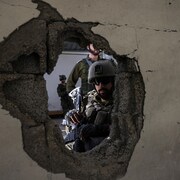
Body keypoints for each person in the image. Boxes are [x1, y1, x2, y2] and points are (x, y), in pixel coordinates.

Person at [65, 60, 116, 152]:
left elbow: (129, 128)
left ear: (113, 81)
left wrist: (100, 129)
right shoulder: (87, 100)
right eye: (97, 82)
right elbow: (75, 124)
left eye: (105, 81)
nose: (101, 86)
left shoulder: (124, 101)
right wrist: (72, 116)